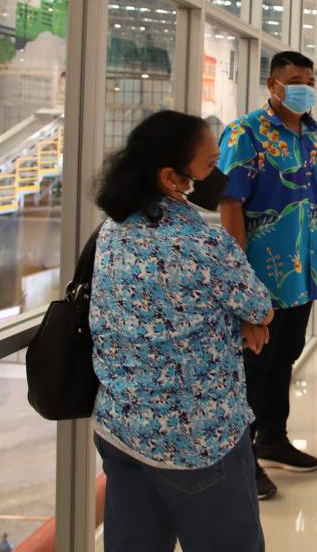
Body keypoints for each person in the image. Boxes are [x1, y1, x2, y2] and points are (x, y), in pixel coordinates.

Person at [90, 111, 273, 552]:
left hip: (121, 427)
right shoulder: (204, 242)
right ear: (172, 178)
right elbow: (260, 307)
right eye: (210, 166)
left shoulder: (112, 231)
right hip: (198, 441)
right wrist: (246, 320)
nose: (219, 177)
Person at [217, 50, 317, 500]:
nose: (304, 87)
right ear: (273, 85)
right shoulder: (245, 133)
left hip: (303, 274)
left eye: (309, 80)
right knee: (254, 366)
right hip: (261, 276)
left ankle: (273, 438)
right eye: (295, 80)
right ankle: (242, 459)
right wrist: (237, 277)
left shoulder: (314, 134)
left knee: (285, 356)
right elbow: (230, 204)